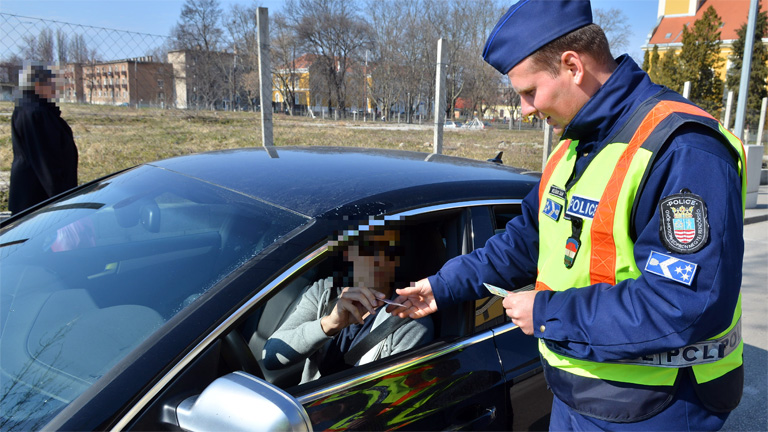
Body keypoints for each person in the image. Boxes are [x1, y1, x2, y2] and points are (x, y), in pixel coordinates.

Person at [388, 1, 746, 430]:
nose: (524, 109)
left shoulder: (684, 149)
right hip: (578, 393)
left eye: (528, 91)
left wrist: (547, 314)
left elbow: (682, 305)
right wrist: (442, 286)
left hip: (658, 405)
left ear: (572, 66)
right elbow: (523, 242)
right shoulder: (573, 146)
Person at [263, 228, 434, 384]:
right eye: (365, 249)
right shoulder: (324, 292)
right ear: (349, 254)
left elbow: (391, 394)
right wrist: (329, 324)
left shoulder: (410, 318)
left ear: (396, 259)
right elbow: (271, 357)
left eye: (386, 251)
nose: (376, 259)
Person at [9, 63, 78, 215]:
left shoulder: (29, 108)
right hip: (37, 195)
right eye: (51, 82)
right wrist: (61, 199)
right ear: (38, 85)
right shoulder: (36, 112)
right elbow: (45, 160)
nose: (55, 87)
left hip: (32, 191)